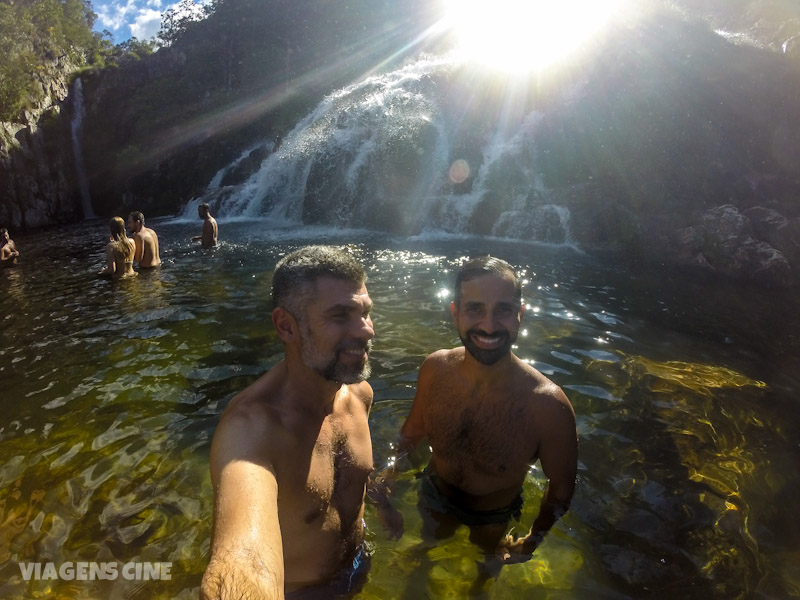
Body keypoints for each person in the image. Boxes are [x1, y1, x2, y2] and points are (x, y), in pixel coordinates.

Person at [377, 256, 577, 565]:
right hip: (434, 493)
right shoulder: (435, 369)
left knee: (487, 566)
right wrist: (390, 475)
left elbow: (561, 492)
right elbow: (413, 432)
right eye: (475, 309)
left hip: (493, 515)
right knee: (427, 548)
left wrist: (533, 540)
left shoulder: (548, 407)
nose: (489, 325)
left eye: (504, 310)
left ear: (520, 315)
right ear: (455, 313)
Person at [201, 245, 376, 600]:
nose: (366, 331)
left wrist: (382, 504)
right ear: (286, 326)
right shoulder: (251, 431)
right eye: (341, 316)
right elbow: (244, 563)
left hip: (358, 564)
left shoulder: (360, 395)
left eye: (366, 313)